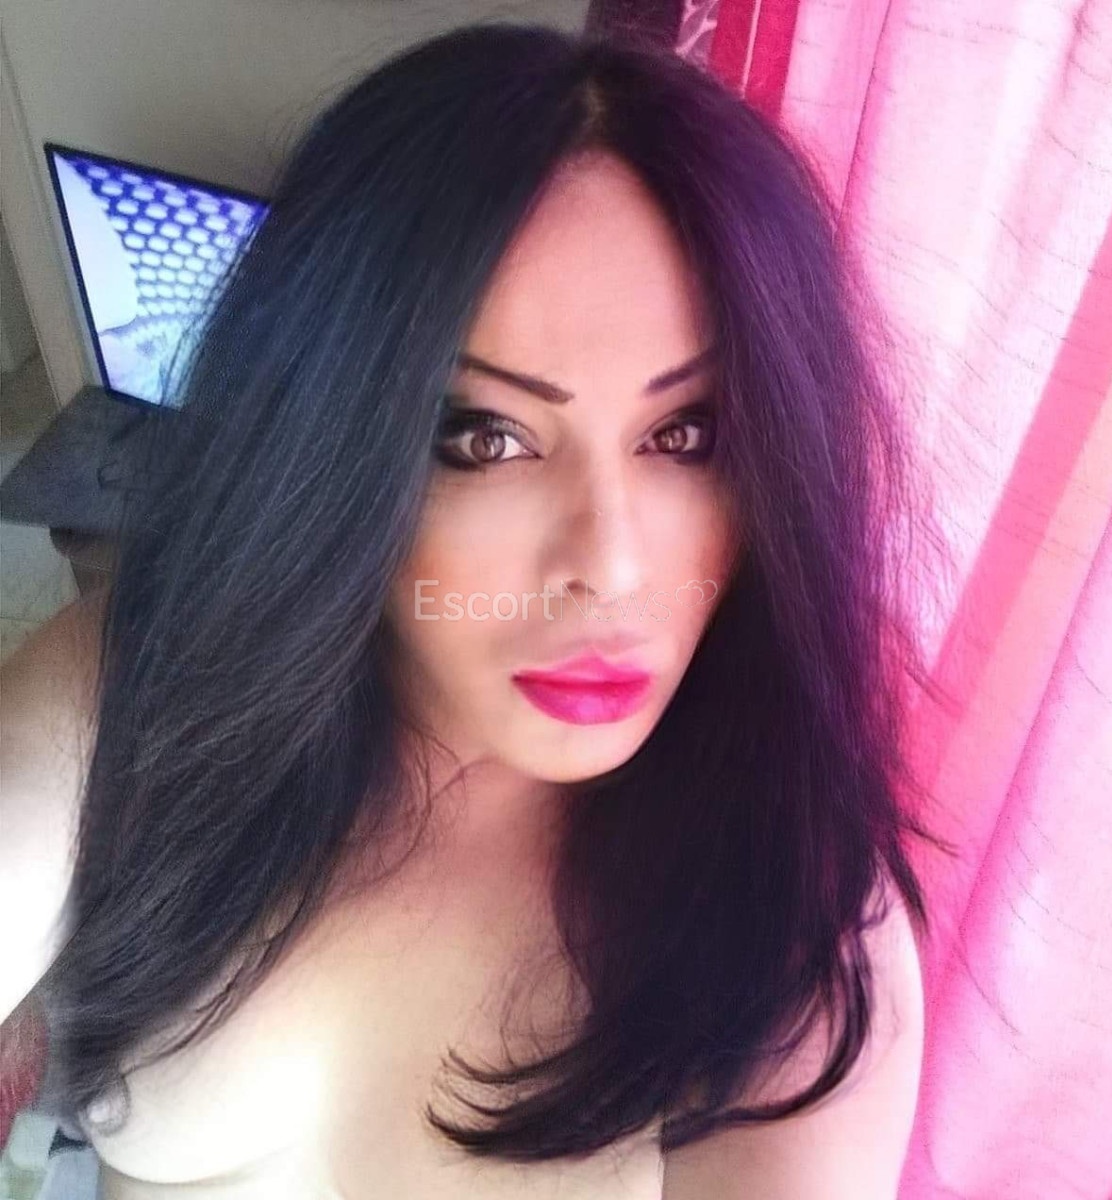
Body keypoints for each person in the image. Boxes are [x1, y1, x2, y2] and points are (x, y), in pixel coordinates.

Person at [0, 21, 953, 1199]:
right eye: (483, 436)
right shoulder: (152, 686)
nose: (610, 568)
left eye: (686, 434)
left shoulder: (797, 931)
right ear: (326, 444)